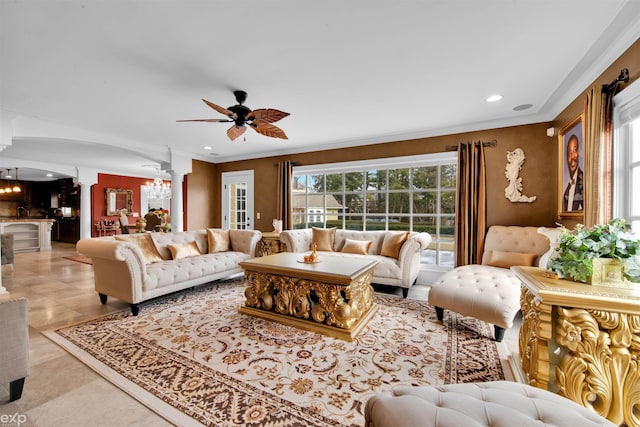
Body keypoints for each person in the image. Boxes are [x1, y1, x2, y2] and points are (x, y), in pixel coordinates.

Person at [562, 134, 584, 211]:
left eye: (575, 150)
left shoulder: (582, 180)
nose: (573, 156)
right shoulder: (569, 185)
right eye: (570, 153)